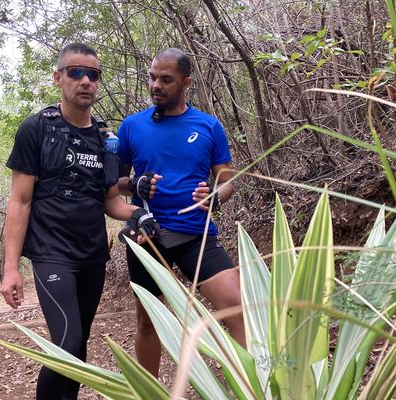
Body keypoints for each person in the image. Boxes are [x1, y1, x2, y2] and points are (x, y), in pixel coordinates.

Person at [0, 42, 156, 400]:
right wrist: (11, 269)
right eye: (76, 72)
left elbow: (111, 201)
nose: (86, 80)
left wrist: (140, 213)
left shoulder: (106, 141)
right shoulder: (36, 129)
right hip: (52, 253)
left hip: (92, 255)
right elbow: (20, 201)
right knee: (67, 344)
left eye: (93, 74)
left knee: (78, 345)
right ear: (58, 78)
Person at [117, 48, 245, 377]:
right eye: (152, 77)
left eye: (166, 79)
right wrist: (135, 183)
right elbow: (115, 185)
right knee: (148, 321)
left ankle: (250, 387)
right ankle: (150, 392)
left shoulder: (208, 125)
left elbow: (226, 178)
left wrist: (217, 195)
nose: (155, 85)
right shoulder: (131, 126)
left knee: (239, 309)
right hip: (148, 236)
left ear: (185, 82)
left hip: (196, 236)